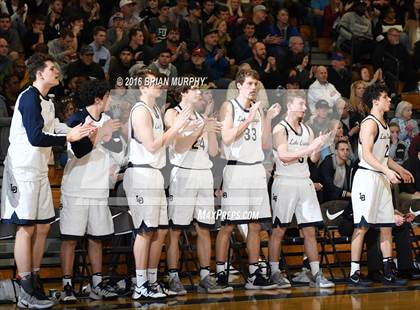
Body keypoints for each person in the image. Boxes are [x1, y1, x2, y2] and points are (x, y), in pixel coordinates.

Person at [0, 53, 94, 308]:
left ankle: (35, 279)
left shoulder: (48, 102)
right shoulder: (29, 98)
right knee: (26, 228)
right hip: (22, 170)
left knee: (42, 227)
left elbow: (53, 128)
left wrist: (78, 130)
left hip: (39, 169)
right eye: (52, 68)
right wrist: (68, 138)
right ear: (40, 73)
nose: (57, 71)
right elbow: (35, 137)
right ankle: (25, 288)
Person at [123, 69, 191, 300]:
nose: (159, 86)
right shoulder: (140, 111)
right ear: (142, 87)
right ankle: (140, 284)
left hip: (155, 174)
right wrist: (176, 127)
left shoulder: (155, 110)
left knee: (159, 232)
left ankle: (151, 281)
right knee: (145, 231)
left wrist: (178, 130)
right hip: (141, 174)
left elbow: (164, 144)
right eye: (153, 83)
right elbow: (151, 146)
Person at [59, 80, 123, 303]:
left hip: (98, 189)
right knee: (70, 239)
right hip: (76, 188)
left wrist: (115, 159)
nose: (111, 100)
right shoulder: (76, 119)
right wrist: (99, 135)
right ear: (98, 99)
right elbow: (79, 151)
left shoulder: (108, 121)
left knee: (97, 238)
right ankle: (67, 287)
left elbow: (118, 149)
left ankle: (97, 284)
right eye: (108, 96)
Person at [215, 69, 279, 291]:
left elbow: (264, 143)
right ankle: (221, 273)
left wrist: (267, 118)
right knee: (228, 225)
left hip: (256, 170)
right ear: (239, 85)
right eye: (250, 83)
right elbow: (227, 137)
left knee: (254, 225)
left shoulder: (257, 109)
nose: (254, 87)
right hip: (236, 170)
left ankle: (254, 274)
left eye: (256, 84)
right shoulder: (229, 106)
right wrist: (248, 119)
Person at [349, 83, 414, 287]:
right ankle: (354, 272)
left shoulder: (384, 123)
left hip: (380, 177)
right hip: (367, 178)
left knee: (387, 226)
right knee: (362, 226)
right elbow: (367, 154)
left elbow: (384, 157)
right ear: (375, 101)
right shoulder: (369, 123)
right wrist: (386, 171)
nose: (389, 100)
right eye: (385, 97)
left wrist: (399, 169)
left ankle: (387, 271)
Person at [269, 89, 335, 289]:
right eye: (301, 104)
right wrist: (309, 148)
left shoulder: (308, 129)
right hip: (285, 181)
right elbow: (284, 157)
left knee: (310, 230)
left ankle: (316, 274)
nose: (304, 108)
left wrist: (318, 148)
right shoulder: (280, 129)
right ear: (289, 105)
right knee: (279, 230)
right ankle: (274, 272)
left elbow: (311, 160)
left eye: (305, 104)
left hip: (304, 181)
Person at [164, 83, 224, 294]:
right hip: (183, 172)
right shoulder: (173, 113)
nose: (200, 93)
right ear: (183, 93)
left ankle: (206, 276)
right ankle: (173, 276)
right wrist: (202, 128)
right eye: (195, 89)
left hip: (204, 174)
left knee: (204, 227)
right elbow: (180, 144)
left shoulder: (202, 117)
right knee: (176, 229)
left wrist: (210, 128)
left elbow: (215, 152)